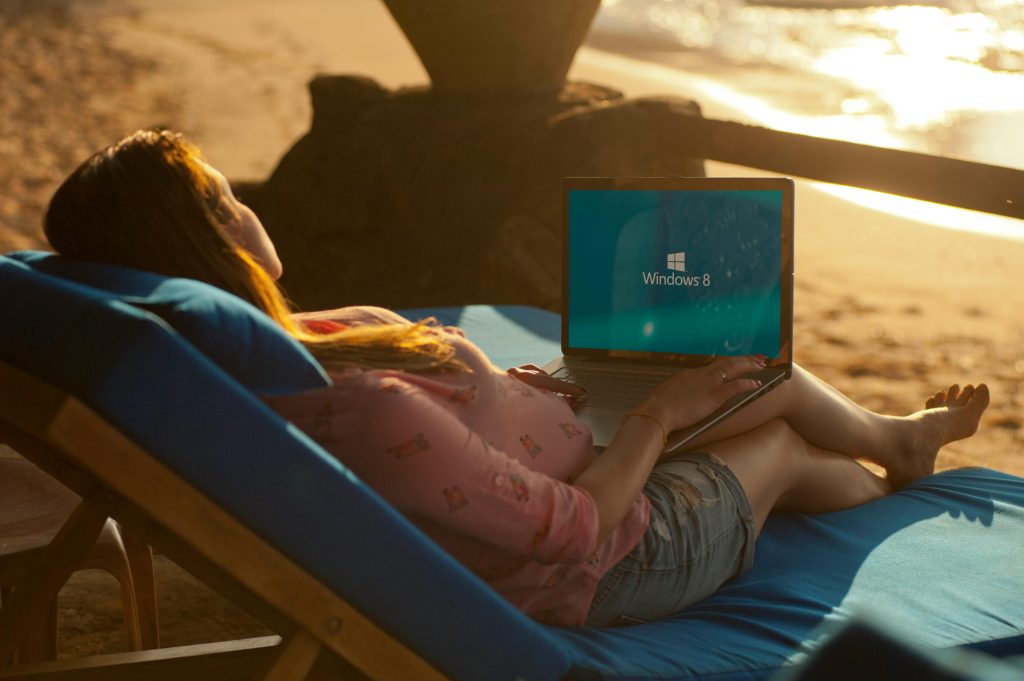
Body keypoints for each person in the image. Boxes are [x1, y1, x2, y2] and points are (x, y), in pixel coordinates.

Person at [41, 129, 991, 627]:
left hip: (570, 449)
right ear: (203, 242)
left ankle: (888, 446)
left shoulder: (276, 349)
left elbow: (455, 430)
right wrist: (656, 417)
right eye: (224, 198)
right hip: (602, 560)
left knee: (745, 367)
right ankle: (883, 468)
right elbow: (572, 536)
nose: (247, 206)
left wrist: (549, 387)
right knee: (771, 430)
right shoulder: (360, 410)